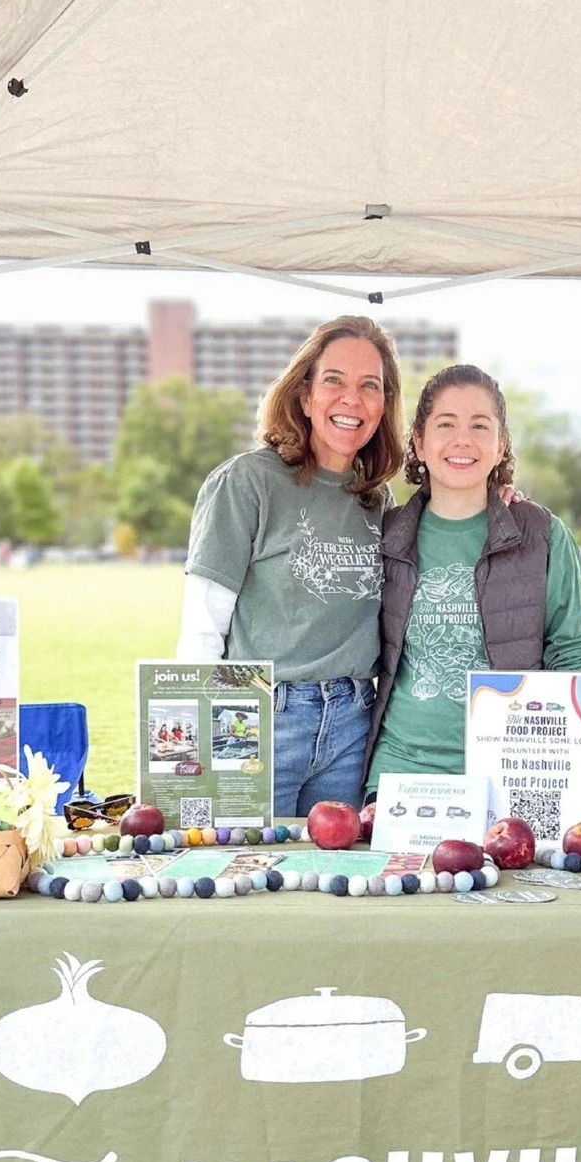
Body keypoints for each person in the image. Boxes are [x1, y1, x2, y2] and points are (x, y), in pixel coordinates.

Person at [176, 316, 405, 815]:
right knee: (243, 857)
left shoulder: (376, 499)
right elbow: (202, 627)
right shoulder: (246, 482)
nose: (352, 399)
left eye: (370, 386)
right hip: (260, 718)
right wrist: (198, 745)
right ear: (304, 395)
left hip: (352, 724)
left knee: (336, 864)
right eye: (334, 380)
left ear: (383, 404)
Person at [363, 364, 581, 789]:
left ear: (500, 444)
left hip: (512, 772)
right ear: (419, 441)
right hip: (400, 774)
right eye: (446, 424)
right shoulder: (385, 535)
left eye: (479, 426)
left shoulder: (543, 535)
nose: (463, 440)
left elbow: (574, 653)